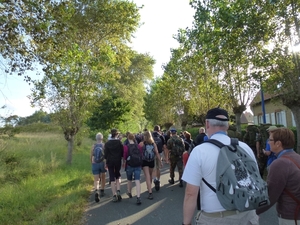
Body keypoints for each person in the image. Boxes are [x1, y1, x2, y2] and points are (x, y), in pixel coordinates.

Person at [182, 107, 259, 225]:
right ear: (227, 125)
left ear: (207, 124)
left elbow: (190, 194)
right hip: (247, 215)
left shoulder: (199, 152)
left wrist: (186, 223)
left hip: (215, 218)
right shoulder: (245, 147)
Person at [256, 127, 300, 224]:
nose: (268, 143)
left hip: (291, 217)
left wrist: (253, 212)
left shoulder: (279, 164)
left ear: (278, 143)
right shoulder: (297, 157)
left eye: (270, 140)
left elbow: (270, 196)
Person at [139, 130, 162, 200]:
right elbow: (157, 153)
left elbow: (138, 152)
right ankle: (150, 187)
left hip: (144, 161)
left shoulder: (142, 144)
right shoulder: (153, 143)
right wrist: (160, 161)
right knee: (150, 175)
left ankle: (150, 192)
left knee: (147, 176)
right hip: (151, 161)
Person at [122, 133, 142, 205]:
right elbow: (141, 154)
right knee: (137, 180)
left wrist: (124, 163)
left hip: (129, 165)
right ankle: (138, 197)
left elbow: (124, 157)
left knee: (129, 180)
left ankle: (129, 192)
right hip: (138, 165)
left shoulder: (126, 147)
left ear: (128, 138)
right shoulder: (138, 146)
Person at [104, 128, 124, 202]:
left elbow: (105, 154)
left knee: (112, 177)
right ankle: (118, 190)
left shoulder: (107, 143)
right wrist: (122, 160)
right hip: (117, 161)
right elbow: (122, 153)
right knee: (117, 175)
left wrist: (106, 162)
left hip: (110, 161)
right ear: (117, 134)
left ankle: (114, 195)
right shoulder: (119, 143)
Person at [90, 132, 106, 202]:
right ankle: (102, 190)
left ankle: (96, 190)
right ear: (102, 138)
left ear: (96, 139)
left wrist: (92, 162)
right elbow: (106, 155)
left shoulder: (93, 146)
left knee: (96, 179)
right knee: (103, 177)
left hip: (95, 163)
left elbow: (91, 155)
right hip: (102, 163)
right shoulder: (104, 145)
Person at [152, 125, 166, 191]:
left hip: (151, 154)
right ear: (159, 130)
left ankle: (154, 179)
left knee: (153, 168)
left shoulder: (150, 136)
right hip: (159, 153)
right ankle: (158, 180)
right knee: (158, 168)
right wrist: (165, 156)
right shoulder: (161, 136)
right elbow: (164, 147)